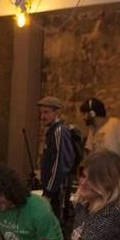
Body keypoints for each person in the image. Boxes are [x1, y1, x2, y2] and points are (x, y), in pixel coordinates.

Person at [37, 96, 76, 224]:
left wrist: (49, 190)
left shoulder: (59, 131)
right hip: (52, 188)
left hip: (58, 189)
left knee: (56, 223)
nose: (42, 116)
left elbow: (61, 162)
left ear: (57, 113)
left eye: (46, 112)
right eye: (41, 112)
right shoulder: (52, 131)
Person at [79, 98, 120, 167]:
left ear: (92, 113)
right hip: (101, 174)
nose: (83, 118)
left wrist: (119, 168)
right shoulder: (92, 129)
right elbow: (90, 153)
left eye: (84, 114)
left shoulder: (116, 123)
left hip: (116, 174)